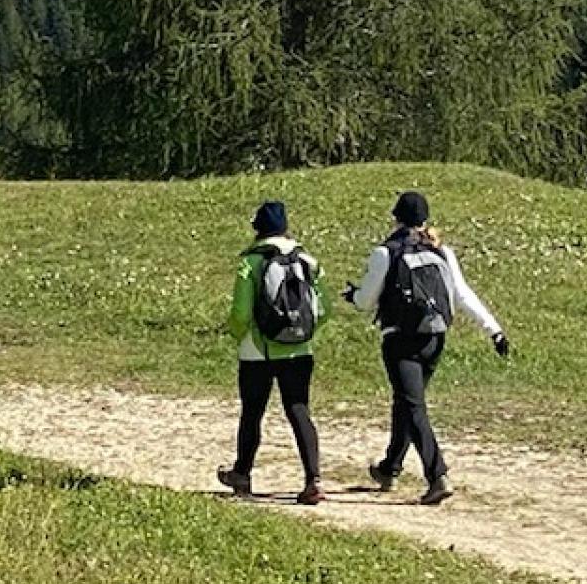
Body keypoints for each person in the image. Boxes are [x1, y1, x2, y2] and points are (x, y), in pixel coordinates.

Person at [345, 188, 507, 505]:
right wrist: (494, 330)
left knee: (413, 405)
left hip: (400, 339)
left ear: (396, 217)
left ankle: (437, 475)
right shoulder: (442, 252)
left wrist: (352, 295)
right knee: (408, 401)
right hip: (435, 337)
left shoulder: (385, 253)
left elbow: (366, 301)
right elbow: (462, 295)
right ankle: (390, 467)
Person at [217, 198, 323, 504]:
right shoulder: (308, 260)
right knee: (299, 409)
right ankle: (313, 479)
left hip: (257, 352)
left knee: (252, 413)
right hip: (300, 349)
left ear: (257, 230)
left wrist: (238, 336)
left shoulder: (250, 263)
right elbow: (323, 307)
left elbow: (240, 313)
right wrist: (304, 333)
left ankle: (243, 474)